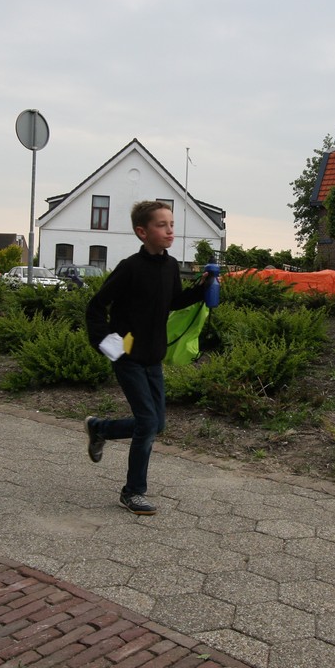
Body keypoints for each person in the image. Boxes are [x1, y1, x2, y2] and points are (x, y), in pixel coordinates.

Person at [84, 200, 213, 515]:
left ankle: (100, 429)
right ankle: (133, 492)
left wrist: (202, 288)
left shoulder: (170, 266)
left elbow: (174, 301)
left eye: (172, 224)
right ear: (142, 232)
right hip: (127, 354)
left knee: (157, 424)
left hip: (153, 356)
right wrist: (105, 342)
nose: (170, 230)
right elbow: (96, 306)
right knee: (146, 422)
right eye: (161, 225)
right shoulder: (130, 267)